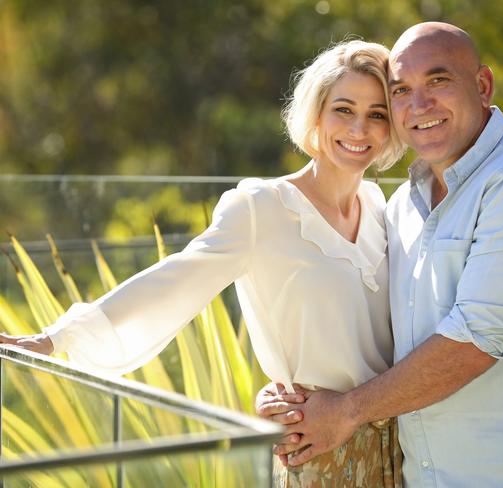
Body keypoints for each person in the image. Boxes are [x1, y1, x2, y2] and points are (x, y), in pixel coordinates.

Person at [0, 40, 406, 487]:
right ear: (316, 114)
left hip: (399, 444)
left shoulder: (379, 205)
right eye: (344, 110)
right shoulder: (261, 207)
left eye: (377, 114)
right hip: (317, 446)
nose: (359, 128)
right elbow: (177, 279)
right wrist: (59, 338)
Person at [258, 22, 503, 487]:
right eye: (401, 91)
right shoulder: (401, 206)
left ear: (482, 86)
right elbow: (371, 337)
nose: (419, 105)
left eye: (438, 81)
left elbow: (476, 337)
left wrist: (345, 412)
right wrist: (291, 391)